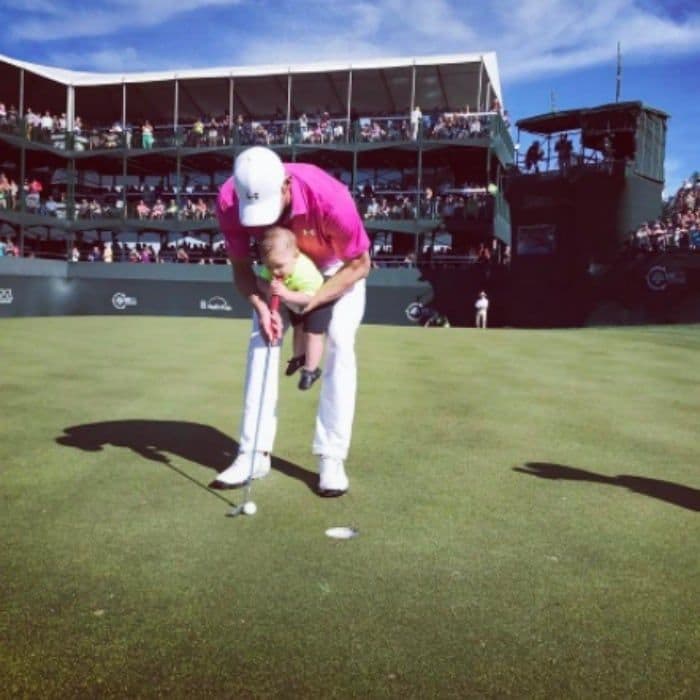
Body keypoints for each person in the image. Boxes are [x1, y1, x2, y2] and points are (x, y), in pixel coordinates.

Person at [211, 146, 371, 496]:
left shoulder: (329, 197)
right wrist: (263, 307)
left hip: (333, 269)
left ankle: (331, 457)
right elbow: (241, 271)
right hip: (276, 272)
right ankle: (253, 453)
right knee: (262, 341)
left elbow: (360, 265)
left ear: (286, 185)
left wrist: (310, 303)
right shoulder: (228, 199)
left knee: (340, 342)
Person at [256, 226, 330, 391]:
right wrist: (268, 288)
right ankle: (298, 358)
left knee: (313, 335)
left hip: (316, 301)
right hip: (294, 300)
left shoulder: (305, 272)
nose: (274, 271)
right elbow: (260, 280)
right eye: (269, 267)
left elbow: (311, 298)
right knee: (298, 329)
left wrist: (286, 294)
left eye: (279, 266)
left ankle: (311, 371)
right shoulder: (274, 264)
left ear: (295, 256)